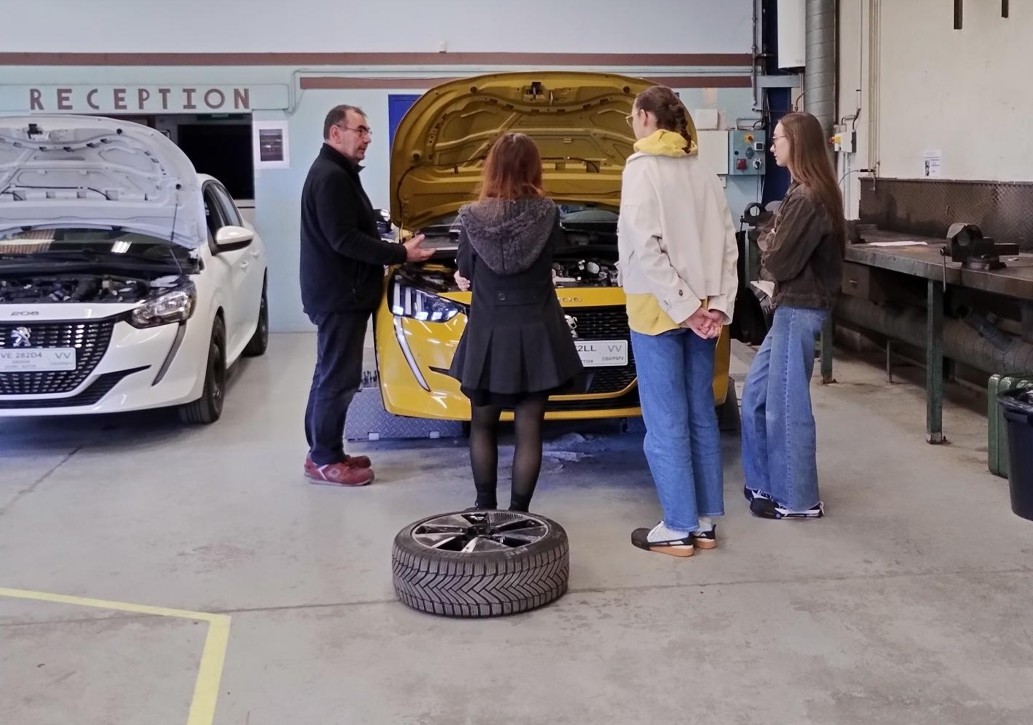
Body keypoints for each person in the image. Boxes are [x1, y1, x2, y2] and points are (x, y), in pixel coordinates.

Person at [619, 85, 739, 557]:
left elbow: (646, 247)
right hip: (705, 310)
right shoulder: (703, 171)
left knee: (665, 418)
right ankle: (704, 521)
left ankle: (677, 526)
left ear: (647, 118)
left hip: (658, 309)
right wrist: (716, 306)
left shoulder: (641, 169)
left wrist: (682, 307)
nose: (632, 124)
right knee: (700, 414)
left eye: (633, 117)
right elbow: (728, 243)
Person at [448, 133, 584, 512]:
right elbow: (558, 256)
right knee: (530, 428)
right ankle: (520, 514)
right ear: (533, 168)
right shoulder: (547, 213)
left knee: (482, 424)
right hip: (537, 333)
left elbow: (465, 270)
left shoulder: (471, 217)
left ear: (491, 168)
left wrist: (463, 274)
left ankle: (484, 507)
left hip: (488, 334)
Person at [300, 104, 432, 486]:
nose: (368, 139)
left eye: (368, 132)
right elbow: (344, 240)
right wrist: (399, 253)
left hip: (338, 291)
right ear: (335, 132)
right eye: (360, 131)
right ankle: (325, 459)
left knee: (328, 373)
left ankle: (322, 451)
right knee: (339, 378)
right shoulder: (331, 177)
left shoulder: (337, 172)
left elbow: (350, 230)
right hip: (341, 294)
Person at [740, 111, 845, 519]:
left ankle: (798, 499)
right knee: (756, 396)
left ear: (797, 143)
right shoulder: (802, 192)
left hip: (800, 308)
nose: (770, 147)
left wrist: (767, 237)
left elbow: (778, 261)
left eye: (778, 139)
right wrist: (771, 234)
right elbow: (777, 247)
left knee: (786, 407)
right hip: (790, 307)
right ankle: (764, 483)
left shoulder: (807, 198)